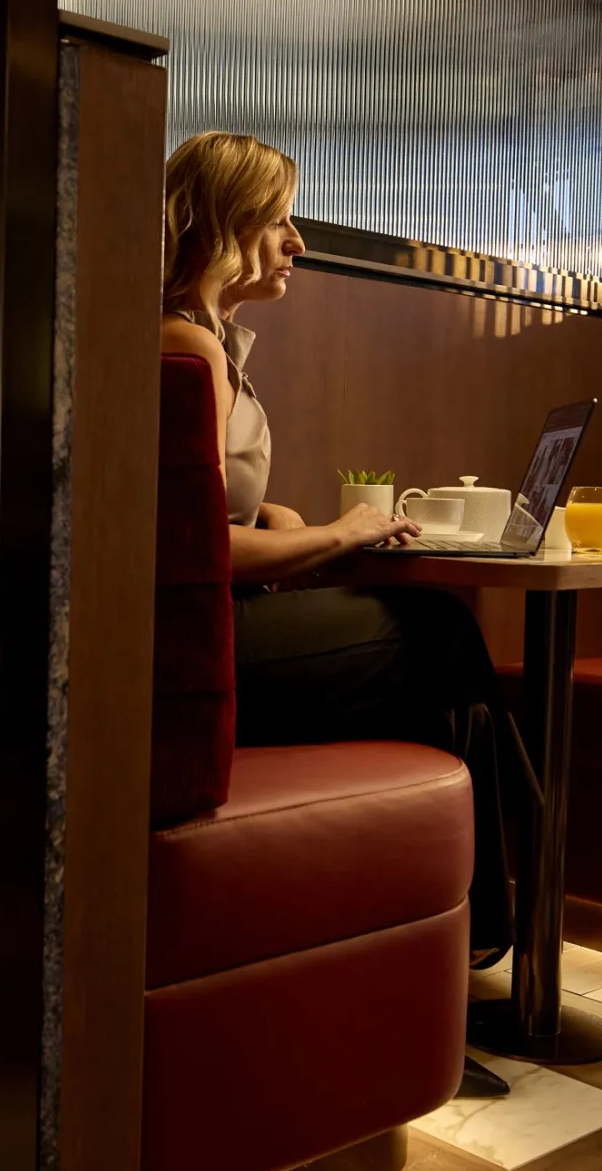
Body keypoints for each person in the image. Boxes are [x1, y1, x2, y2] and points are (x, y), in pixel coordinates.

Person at [157, 130, 519, 989]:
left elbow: (206, 512)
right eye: (279, 222)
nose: (298, 243)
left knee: (428, 661)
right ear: (224, 224)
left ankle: (452, 939)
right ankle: (495, 928)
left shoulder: (210, 342)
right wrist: (341, 533)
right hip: (196, 648)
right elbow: (180, 551)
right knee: (440, 634)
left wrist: (277, 516)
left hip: (217, 624)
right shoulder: (189, 346)